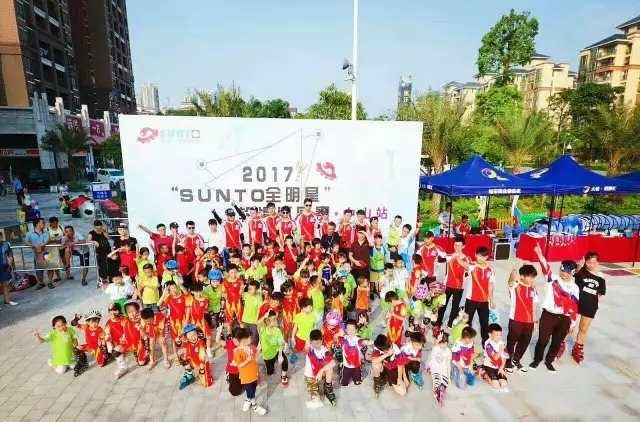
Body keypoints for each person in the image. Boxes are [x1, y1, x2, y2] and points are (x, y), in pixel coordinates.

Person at [530, 244, 579, 371]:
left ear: (573, 272)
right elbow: (545, 267)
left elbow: (574, 307)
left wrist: (573, 324)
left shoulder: (574, 288)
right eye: (562, 270)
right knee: (542, 340)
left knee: (557, 342)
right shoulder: (552, 279)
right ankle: (536, 360)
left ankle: (549, 361)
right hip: (548, 315)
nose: (564, 273)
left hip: (564, 319)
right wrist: (539, 254)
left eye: (567, 271)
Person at [572, 252, 606, 365]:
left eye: (593, 262)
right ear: (585, 261)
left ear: (598, 263)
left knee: (583, 329)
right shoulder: (581, 271)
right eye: (589, 262)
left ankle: (577, 348)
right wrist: (579, 266)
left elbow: (600, 293)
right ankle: (560, 345)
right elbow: (573, 274)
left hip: (590, 306)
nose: (591, 264)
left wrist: (591, 301)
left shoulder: (601, 277)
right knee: (569, 327)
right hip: (575, 303)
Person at [457, 246, 495, 345]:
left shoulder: (490, 269)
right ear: (475, 255)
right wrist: (458, 253)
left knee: (484, 323)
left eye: (483, 256)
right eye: (479, 256)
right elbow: (461, 263)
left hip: (484, 301)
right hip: (471, 300)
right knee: (467, 322)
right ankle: (467, 341)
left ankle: (485, 342)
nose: (481, 258)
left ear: (487, 257)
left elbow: (490, 286)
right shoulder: (472, 266)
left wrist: (492, 301)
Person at [505, 264, 538, 373]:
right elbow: (510, 281)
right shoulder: (515, 285)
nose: (533, 279)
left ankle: (516, 360)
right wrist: (514, 269)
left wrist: (535, 321)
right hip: (516, 319)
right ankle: (508, 362)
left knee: (524, 342)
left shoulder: (533, 288)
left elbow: (533, 306)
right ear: (523, 276)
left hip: (529, 321)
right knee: (511, 342)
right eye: (531, 277)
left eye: (534, 277)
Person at [233, 328, 268, 415]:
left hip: (254, 373)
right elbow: (239, 365)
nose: (251, 339)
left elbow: (255, 356)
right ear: (243, 340)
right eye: (250, 338)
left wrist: (258, 350)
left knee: (253, 389)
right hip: (246, 376)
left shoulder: (251, 347)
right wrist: (247, 360)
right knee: (250, 391)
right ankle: (255, 406)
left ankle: (248, 400)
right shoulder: (237, 352)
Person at [437, 236, 468, 329]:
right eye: (455, 245)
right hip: (447, 285)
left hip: (459, 287)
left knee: (455, 306)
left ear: (463, 246)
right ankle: (438, 322)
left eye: (459, 245)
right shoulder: (449, 256)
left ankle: (450, 323)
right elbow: (439, 260)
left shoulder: (466, 258)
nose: (457, 247)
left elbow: (466, 267)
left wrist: (456, 257)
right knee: (443, 305)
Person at [304, 329, 337, 408]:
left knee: (330, 367)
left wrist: (321, 371)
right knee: (316, 400)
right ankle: (314, 388)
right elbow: (307, 341)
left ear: (321, 340)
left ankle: (328, 388)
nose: (316, 345)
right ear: (311, 342)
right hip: (311, 376)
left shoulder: (324, 349)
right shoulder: (309, 350)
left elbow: (333, 363)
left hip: (320, 372)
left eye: (318, 342)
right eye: (314, 343)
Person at [258, 310, 289, 386]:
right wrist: (264, 316)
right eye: (274, 319)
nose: (276, 321)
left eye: (276, 319)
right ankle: (268, 368)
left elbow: (280, 343)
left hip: (276, 351)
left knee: (285, 361)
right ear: (267, 321)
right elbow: (258, 323)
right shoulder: (263, 329)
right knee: (270, 372)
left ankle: (284, 376)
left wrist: (280, 355)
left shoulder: (277, 330)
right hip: (267, 355)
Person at [178, 324, 214, 389]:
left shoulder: (200, 343)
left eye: (195, 335)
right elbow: (179, 344)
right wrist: (178, 340)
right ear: (186, 337)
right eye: (190, 336)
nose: (193, 337)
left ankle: (208, 370)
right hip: (193, 361)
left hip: (202, 363)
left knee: (207, 384)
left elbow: (202, 358)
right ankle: (189, 374)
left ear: (197, 334)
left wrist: (202, 369)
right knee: (182, 357)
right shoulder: (187, 342)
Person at [25, 217, 55, 290]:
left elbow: (46, 241)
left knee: (50, 268)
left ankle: (50, 282)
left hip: (47, 253)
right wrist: (33, 245)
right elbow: (26, 242)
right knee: (38, 271)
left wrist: (40, 245)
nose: (44, 224)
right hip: (37, 254)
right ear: (37, 224)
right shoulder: (29, 233)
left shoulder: (46, 232)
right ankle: (41, 283)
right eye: (43, 222)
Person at [340, 319, 369, 387]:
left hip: (356, 366)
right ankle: (341, 371)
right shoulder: (343, 339)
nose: (350, 331)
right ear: (346, 330)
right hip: (346, 366)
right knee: (344, 384)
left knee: (357, 382)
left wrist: (367, 342)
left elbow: (363, 342)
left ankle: (358, 373)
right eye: (348, 329)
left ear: (356, 330)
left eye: (352, 329)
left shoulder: (358, 339)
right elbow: (336, 338)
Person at [482, 323, 509, 392]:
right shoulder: (488, 344)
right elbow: (495, 358)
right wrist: (500, 350)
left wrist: (502, 368)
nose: (499, 337)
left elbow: (504, 357)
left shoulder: (502, 343)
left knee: (504, 384)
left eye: (500, 335)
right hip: (489, 366)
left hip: (498, 366)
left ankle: (496, 377)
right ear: (490, 335)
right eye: (496, 335)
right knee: (495, 385)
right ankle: (484, 374)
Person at [429, 331, 452, 407]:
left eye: (444, 344)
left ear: (447, 342)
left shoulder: (448, 351)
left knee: (445, 383)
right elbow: (434, 345)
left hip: (443, 369)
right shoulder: (435, 348)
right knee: (436, 381)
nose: (442, 346)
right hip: (435, 368)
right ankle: (436, 391)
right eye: (440, 344)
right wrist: (438, 340)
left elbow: (448, 364)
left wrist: (449, 376)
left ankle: (441, 390)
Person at [88, 220, 112, 285]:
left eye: (100, 225)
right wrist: (94, 241)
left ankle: (110, 276)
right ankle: (103, 277)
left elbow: (108, 238)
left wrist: (104, 232)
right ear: (94, 226)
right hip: (99, 249)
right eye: (97, 225)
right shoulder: (92, 233)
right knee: (101, 263)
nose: (99, 227)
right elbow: (88, 240)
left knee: (109, 262)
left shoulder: (103, 231)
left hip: (107, 247)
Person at [241, 280, 263, 345]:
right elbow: (241, 294)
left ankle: (254, 347)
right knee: (246, 334)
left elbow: (259, 309)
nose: (250, 290)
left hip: (254, 321)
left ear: (257, 290)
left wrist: (257, 320)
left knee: (255, 335)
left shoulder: (259, 298)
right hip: (245, 319)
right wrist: (242, 289)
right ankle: (247, 346)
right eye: (249, 289)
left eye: (252, 289)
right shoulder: (246, 295)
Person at [0, 231, 17, 307]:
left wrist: (10, 259)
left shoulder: (6, 244)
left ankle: (7, 301)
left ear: (1, 237)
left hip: (5, 266)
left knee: (6, 284)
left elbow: (10, 253)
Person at [47, 217, 64, 283]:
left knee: (64, 261)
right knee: (54, 263)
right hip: (52, 248)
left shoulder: (61, 227)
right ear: (50, 223)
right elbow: (46, 239)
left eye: (56, 223)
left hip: (61, 247)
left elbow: (65, 235)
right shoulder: (47, 230)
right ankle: (57, 277)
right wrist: (53, 240)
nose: (55, 224)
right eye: (53, 223)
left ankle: (68, 274)